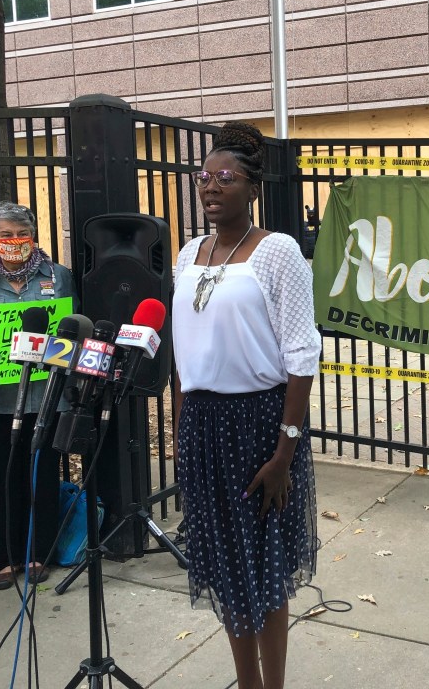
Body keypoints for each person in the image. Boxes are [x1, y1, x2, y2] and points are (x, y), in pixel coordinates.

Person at [172, 122, 321, 689]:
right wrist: (184, 437)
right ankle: (247, 683)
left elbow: (301, 356)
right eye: (204, 177)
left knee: (266, 567)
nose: (211, 187)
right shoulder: (189, 254)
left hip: (260, 423)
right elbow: (185, 357)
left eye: (225, 178)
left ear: (251, 188)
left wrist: (286, 449)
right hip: (205, 425)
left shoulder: (276, 251)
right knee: (229, 567)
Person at [0, 202, 76, 590]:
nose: (14, 241)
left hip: (43, 396)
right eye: (5, 235)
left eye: (21, 233)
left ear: (33, 236)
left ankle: (39, 551)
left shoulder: (58, 276)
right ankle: (4, 557)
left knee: (41, 473)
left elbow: (72, 329)